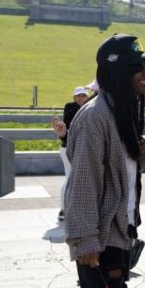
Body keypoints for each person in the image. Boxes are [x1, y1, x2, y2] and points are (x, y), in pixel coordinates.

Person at [64, 34, 145, 288]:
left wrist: (144, 144)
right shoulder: (95, 118)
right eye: (138, 68)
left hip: (120, 235)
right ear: (118, 71)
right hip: (100, 243)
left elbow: (144, 152)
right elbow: (82, 186)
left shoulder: (127, 109)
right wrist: (87, 243)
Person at [52, 85, 90, 221]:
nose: (81, 98)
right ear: (74, 97)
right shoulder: (70, 107)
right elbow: (69, 124)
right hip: (68, 148)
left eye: (83, 95)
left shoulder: (89, 108)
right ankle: (63, 209)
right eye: (78, 96)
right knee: (70, 178)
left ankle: (77, 207)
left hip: (81, 148)